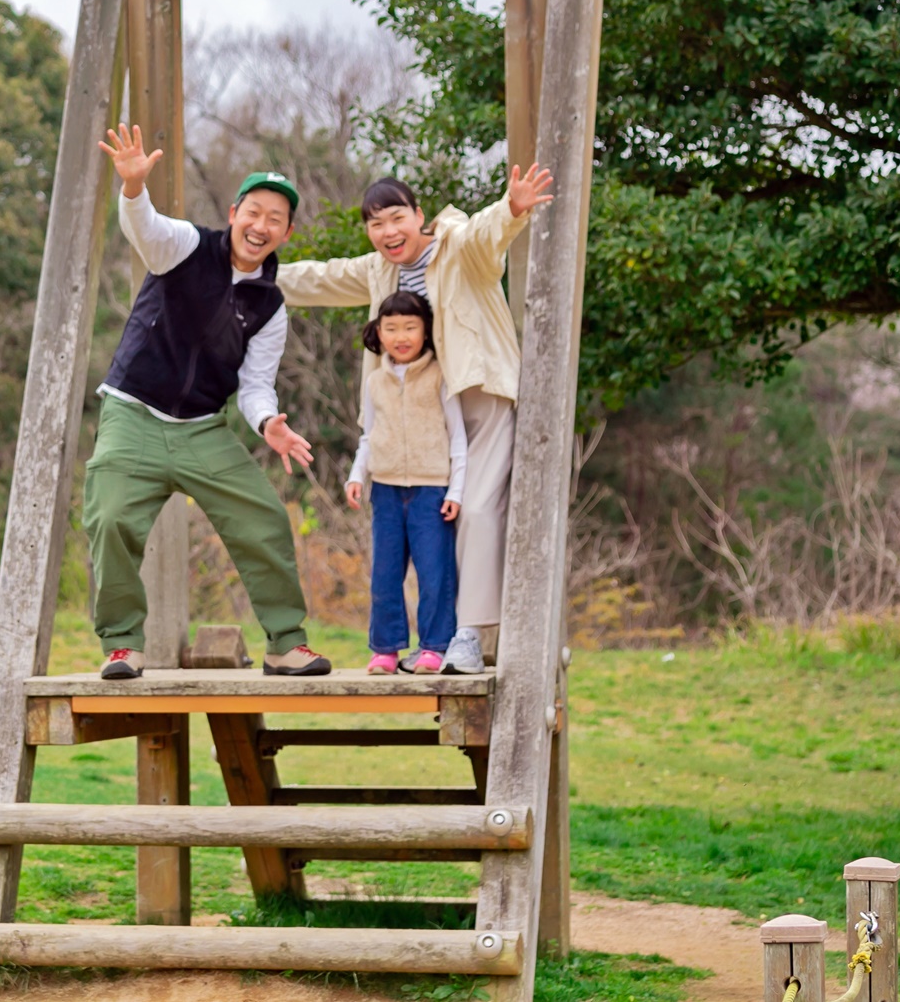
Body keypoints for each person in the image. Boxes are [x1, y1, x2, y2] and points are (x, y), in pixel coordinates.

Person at [279, 165, 553, 675]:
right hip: (419, 416)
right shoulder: (377, 270)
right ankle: (431, 639)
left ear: (419, 216)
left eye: (397, 217)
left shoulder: (457, 248)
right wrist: (244, 269)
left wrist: (512, 207)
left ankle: (468, 637)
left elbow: (488, 234)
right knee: (425, 530)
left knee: (473, 512)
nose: (388, 232)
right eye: (376, 223)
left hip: (478, 396)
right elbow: (318, 276)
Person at [88, 123, 328, 680]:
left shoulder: (270, 305)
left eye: (275, 219)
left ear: (286, 232)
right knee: (110, 516)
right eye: (254, 212)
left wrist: (269, 422)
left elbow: (256, 384)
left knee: (264, 516)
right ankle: (123, 644)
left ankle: (286, 645)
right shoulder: (187, 247)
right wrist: (132, 188)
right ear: (235, 212)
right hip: (133, 412)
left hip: (201, 429)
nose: (261, 225)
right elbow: (144, 229)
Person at [345, 292, 466, 674]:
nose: (401, 336)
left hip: (432, 490)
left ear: (426, 331)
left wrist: (456, 490)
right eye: (391, 328)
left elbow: (458, 438)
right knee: (384, 573)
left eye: (410, 327)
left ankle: (435, 646)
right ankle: (385, 649)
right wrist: (356, 475)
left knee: (435, 573)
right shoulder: (375, 381)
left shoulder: (440, 377)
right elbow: (369, 435)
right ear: (378, 333)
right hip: (385, 489)